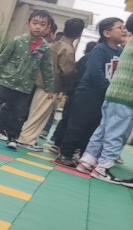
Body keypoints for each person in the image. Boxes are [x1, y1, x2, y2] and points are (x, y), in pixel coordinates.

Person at [0, 9, 54, 150]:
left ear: (48, 28)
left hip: (24, 88)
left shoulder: (45, 49)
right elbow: (2, 58)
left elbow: (47, 69)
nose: (38, 27)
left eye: (42, 24)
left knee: (18, 114)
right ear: (28, 23)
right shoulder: (17, 41)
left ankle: (13, 138)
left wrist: (49, 88)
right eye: (35, 23)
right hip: (4, 82)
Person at [56, 17, 126, 167]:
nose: (124, 30)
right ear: (107, 33)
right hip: (88, 95)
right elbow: (95, 73)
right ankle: (66, 153)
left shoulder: (121, 52)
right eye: (120, 28)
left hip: (103, 96)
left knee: (93, 127)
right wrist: (109, 88)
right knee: (78, 124)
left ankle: (82, 155)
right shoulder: (100, 50)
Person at [75, 13, 133, 183]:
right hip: (126, 97)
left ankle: (87, 161)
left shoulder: (128, 44)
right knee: (117, 132)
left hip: (112, 94)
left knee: (103, 130)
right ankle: (103, 167)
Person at [17, 18, 86, 151]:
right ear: (79, 34)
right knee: (40, 114)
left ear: (64, 29)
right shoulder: (68, 49)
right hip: (52, 87)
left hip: (41, 83)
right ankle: (26, 139)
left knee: (36, 112)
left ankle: (26, 138)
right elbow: (68, 71)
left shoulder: (55, 44)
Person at [49, 38, 98, 152]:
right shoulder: (91, 60)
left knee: (66, 118)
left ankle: (57, 141)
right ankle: (66, 146)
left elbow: (74, 74)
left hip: (74, 92)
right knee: (75, 122)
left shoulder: (83, 59)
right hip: (81, 94)